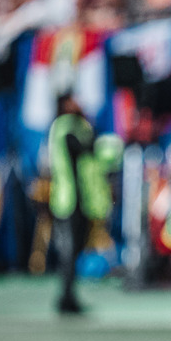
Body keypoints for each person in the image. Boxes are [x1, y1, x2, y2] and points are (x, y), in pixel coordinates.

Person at [49, 93, 107, 314]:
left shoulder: (67, 126)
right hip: (68, 199)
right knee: (69, 250)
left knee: (73, 251)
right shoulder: (66, 127)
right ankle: (66, 297)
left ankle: (68, 295)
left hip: (72, 198)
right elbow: (85, 148)